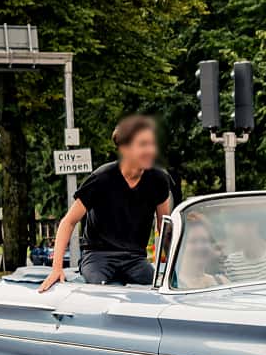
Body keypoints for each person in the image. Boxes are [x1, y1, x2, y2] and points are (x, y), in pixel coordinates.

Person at [39, 114, 173, 289]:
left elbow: (165, 228)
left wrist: (174, 267)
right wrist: (56, 268)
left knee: (159, 289)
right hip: (98, 256)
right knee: (100, 291)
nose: (150, 151)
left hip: (135, 258)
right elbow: (68, 222)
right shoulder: (101, 178)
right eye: (142, 145)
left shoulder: (159, 179)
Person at [173, 216, 228, 290]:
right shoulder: (174, 285)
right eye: (193, 241)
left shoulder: (222, 282)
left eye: (204, 240)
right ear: (180, 246)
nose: (200, 247)